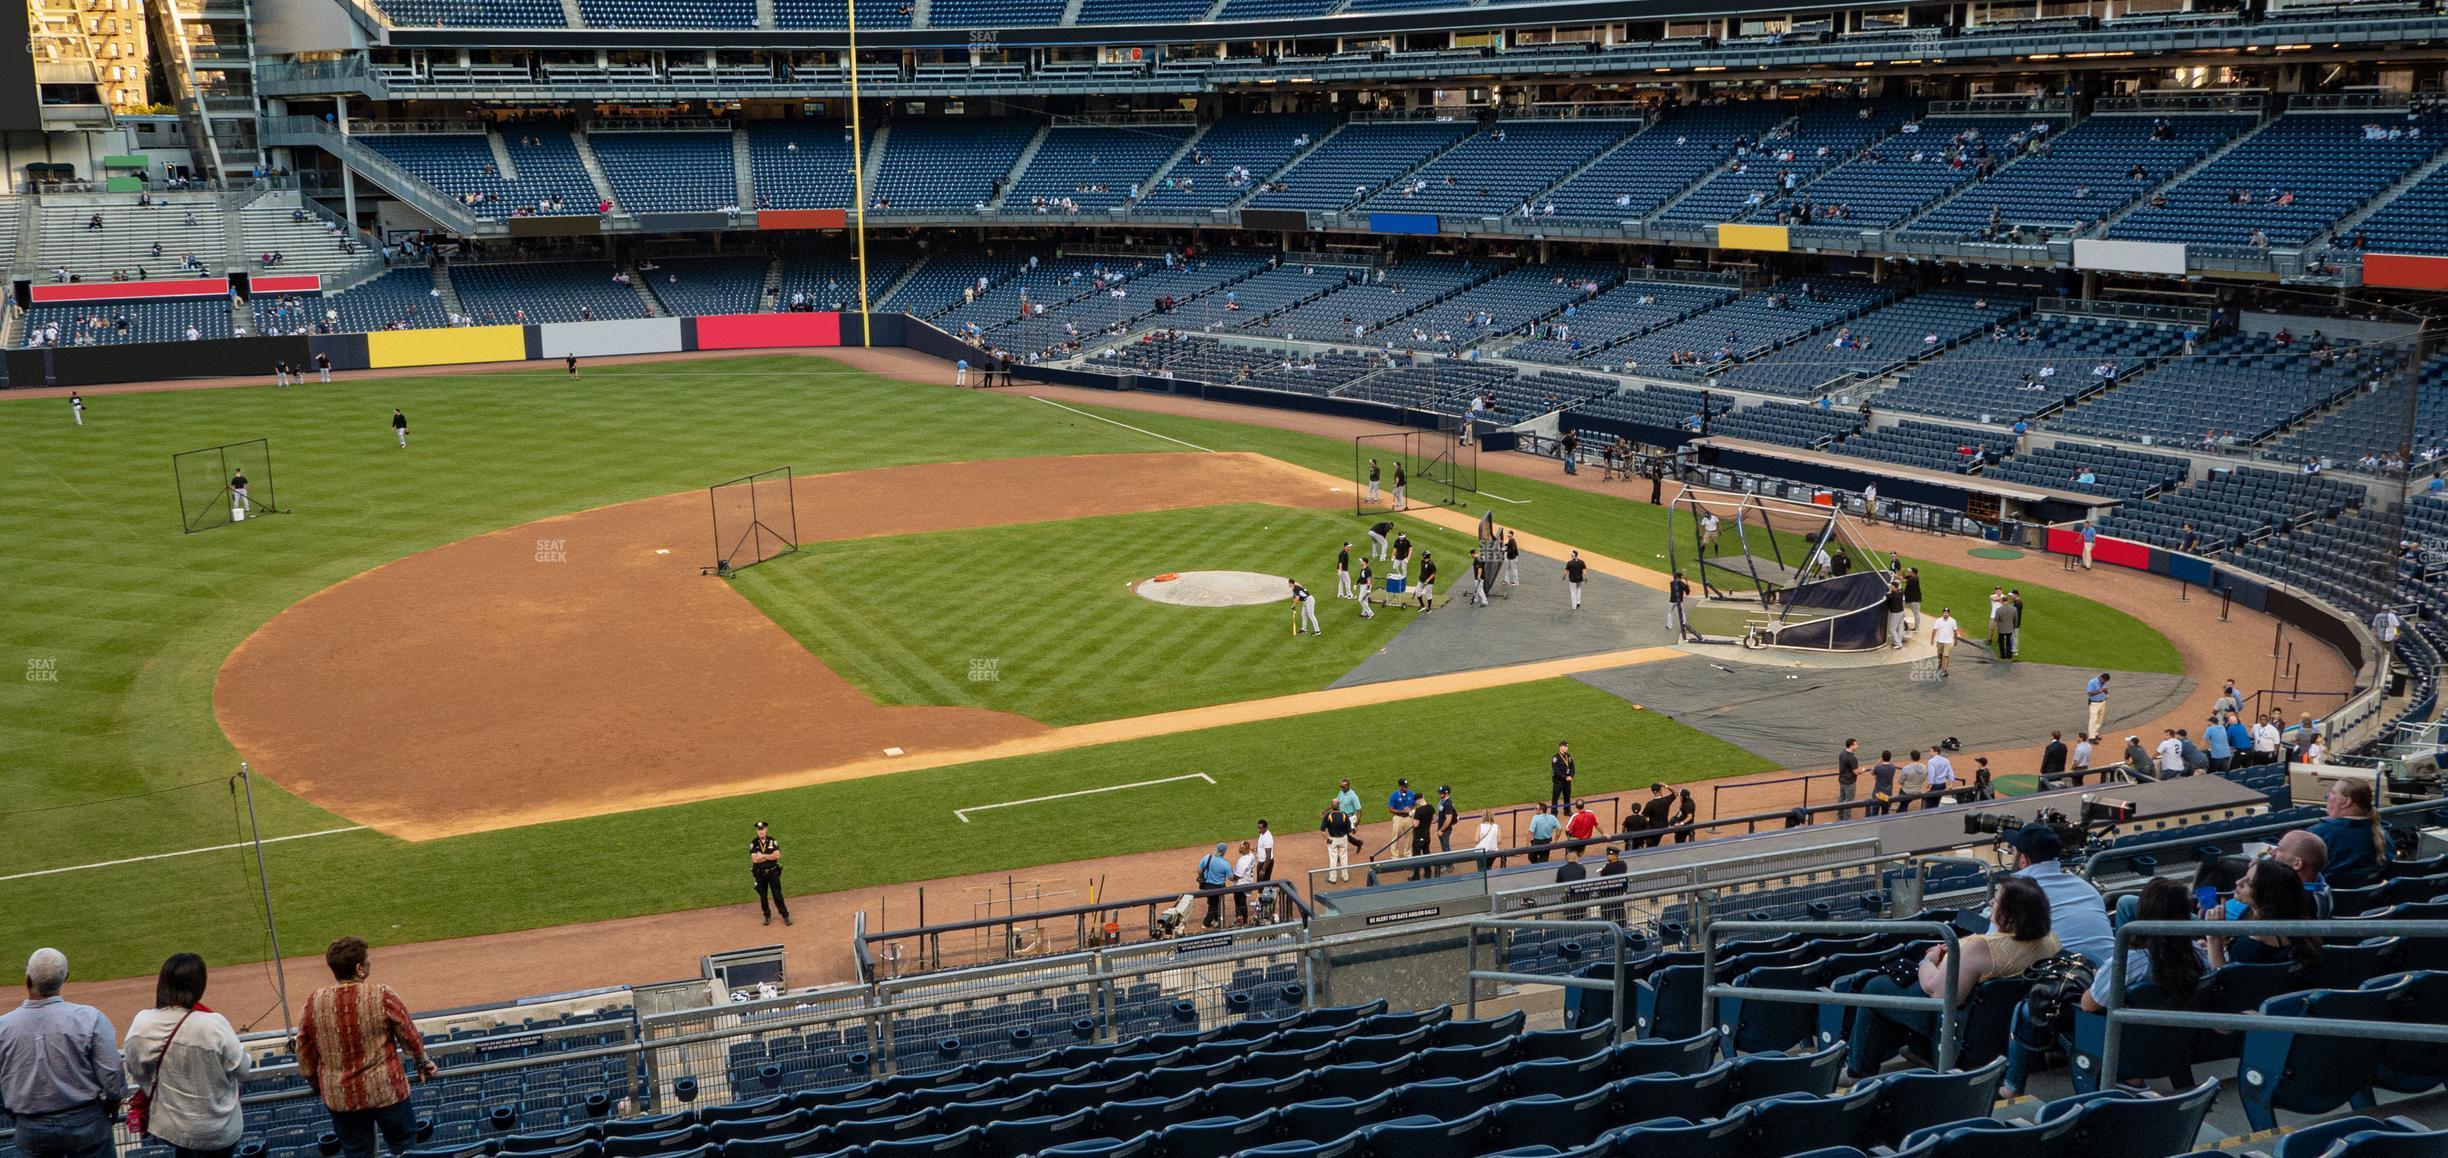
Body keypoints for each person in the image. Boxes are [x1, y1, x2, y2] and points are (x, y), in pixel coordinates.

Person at [1846, 876, 2060, 1081]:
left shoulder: (1979, 947)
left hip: (1961, 1025)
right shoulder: (2049, 940)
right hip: (2006, 1031)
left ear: (2012, 915)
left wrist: (1928, 961)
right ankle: (1915, 1049)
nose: (1991, 901)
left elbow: (1937, 993)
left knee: (1875, 986)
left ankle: (1859, 1071)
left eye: (1998, 899)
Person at [297, 937, 435, 1158]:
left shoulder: (314, 1001)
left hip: (342, 1097)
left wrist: (314, 1080)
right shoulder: (381, 994)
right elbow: (409, 1034)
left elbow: (304, 1047)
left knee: (357, 1152)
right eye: (367, 960)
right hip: (387, 1091)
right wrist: (422, 1061)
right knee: (404, 1147)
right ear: (359, 968)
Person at [0, 949, 123, 1158]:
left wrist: (13, 1114)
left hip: (31, 1126)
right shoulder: (89, 1017)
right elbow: (112, 1071)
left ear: (28, 979)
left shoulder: (3, 1027)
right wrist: (112, 1101)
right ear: (65, 978)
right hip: (87, 1120)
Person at [122, 954, 247, 1158]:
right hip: (218, 1130)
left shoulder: (142, 1023)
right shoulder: (213, 1024)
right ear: (199, 985)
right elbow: (242, 1068)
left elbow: (136, 1070)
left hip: (172, 1127)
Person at [2000, 825, 2114, 965]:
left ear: (2023, 860)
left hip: (2058, 979)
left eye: (2014, 852)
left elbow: (1992, 943)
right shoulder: (2086, 887)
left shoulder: (2015, 892)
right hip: (2110, 978)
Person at [2205, 858, 2323, 970]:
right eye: (2244, 876)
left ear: (2266, 895)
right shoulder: (2302, 931)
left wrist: (2213, 939)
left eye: (2248, 883)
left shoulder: (2248, 947)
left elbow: (2225, 982)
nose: (2238, 882)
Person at [2305, 779, 2388, 889]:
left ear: (2346, 802)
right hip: (2372, 902)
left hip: (2330, 903)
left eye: (2333, 793)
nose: (2328, 796)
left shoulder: (2317, 834)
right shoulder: (2383, 835)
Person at [748, 821, 791, 926]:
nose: (761, 831)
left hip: (773, 873)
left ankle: (785, 915)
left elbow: (776, 856)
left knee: (777, 895)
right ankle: (766, 915)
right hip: (760, 874)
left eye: (762, 829)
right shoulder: (753, 843)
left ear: (766, 829)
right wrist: (768, 856)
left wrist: (762, 855)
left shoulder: (772, 841)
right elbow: (754, 859)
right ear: (757, 831)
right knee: (763, 896)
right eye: (759, 830)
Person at [1195, 842, 1232, 928]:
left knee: (1211, 902)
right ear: (1224, 852)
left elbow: (1199, 871)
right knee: (1215, 906)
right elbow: (1231, 877)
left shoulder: (1207, 857)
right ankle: (1206, 923)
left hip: (1207, 886)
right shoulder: (1225, 863)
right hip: (1219, 888)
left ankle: (1216, 921)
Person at [1319, 801, 1355, 883]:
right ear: (1339, 806)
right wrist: (1354, 829)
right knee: (1344, 857)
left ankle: (1333, 878)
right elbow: (1350, 830)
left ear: (1331, 806)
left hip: (1333, 840)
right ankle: (1345, 877)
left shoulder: (1328, 815)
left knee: (1333, 859)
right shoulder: (1344, 814)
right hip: (1343, 839)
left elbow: (1322, 831)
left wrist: (1327, 839)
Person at [1229, 841, 1257, 923]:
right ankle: (1241, 920)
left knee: (1240, 903)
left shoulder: (1243, 861)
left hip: (1241, 884)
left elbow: (1237, 876)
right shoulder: (1251, 855)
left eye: (1241, 848)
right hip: (1247, 881)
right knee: (1242, 902)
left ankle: (1243, 921)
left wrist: (1229, 877)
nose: (1239, 849)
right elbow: (1250, 849)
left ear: (1246, 849)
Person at [1836, 738, 1861, 819]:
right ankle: (1847, 819)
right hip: (1850, 783)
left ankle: (1840, 815)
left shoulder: (1841, 754)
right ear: (1851, 746)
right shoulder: (1852, 758)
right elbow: (1856, 772)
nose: (1857, 746)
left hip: (1842, 781)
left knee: (1841, 798)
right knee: (1849, 801)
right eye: (1856, 744)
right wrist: (1862, 770)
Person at [1929, 608, 1959, 676]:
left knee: (1946, 655)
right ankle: (1940, 664)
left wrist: (1955, 640)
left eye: (1947, 612)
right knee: (1940, 654)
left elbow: (1955, 631)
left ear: (1949, 613)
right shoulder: (1938, 620)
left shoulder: (1953, 621)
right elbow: (1934, 630)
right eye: (1944, 612)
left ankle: (1945, 670)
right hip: (1939, 640)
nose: (1945, 614)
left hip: (1948, 641)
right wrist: (1932, 639)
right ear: (1942, 613)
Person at [1869, 751, 1898, 817]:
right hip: (1887, 792)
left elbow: (1871, 772)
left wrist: (1878, 762)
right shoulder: (1893, 767)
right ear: (1890, 758)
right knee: (1885, 811)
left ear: (1882, 758)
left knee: (1874, 811)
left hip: (1878, 793)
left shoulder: (1879, 767)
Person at [1993, 594, 2020, 661]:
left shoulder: (1999, 609)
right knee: (2009, 642)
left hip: (2001, 628)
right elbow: (2016, 619)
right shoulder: (2014, 609)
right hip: (2010, 628)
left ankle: (2003, 656)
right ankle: (2009, 655)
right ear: (2007, 600)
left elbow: (1996, 619)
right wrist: (2014, 626)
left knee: (2001, 642)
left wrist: (2000, 621)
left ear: (2002, 601)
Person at [1550, 741, 1576, 808]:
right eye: (1565, 746)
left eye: (1567, 746)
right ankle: (1554, 812)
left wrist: (1571, 776)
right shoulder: (1555, 758)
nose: (1567, 748)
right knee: (1555, 797)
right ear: (1561, 747)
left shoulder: (1568, 756)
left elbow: (1572, 766)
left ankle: (1567, 811)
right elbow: (1556, 771)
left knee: (1567, 797)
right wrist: (1565, 777)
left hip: (1567, 781)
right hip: (1558, 781)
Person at [2086, 673, 2111, 740]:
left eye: (2106, 681)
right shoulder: (2092, 682)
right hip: (2094, 703)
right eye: (2104, 681)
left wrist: (2106, 691)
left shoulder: (2104, 682)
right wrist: (2100, 691)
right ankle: (2091, 737)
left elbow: (2106, 692)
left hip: (2102, 702)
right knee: (2093, 720)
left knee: (2099, 720)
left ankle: (2095, 733)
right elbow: (2089, 693)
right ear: (2101, 678)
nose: (2105, 682)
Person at [1435, 786, 1458, 853]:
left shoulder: (1448, 804)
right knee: (1444, 847)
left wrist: (1441, 830)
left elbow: (1448, 819)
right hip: (1441, 827)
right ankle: (1447, 863)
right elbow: (1441, 814)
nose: (1440, 794)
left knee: (1446, 848)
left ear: (1446, 794)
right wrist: (1436, 820)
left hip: (1445, 829)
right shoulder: (1442, 801)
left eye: (1441, 793)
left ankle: (1448, 863)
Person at [1667, 570, 1690, 637]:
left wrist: (1686, 586)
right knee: (1682, 613)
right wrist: (1687, 587)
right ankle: (1684, 626)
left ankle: (1669, 625)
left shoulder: (1671, 583)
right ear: (1681, 577)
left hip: (1672, 601)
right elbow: (1688, 593)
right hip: (1680, 601)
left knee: (1670, 613)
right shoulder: (1683, 584)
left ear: (1676, 576)